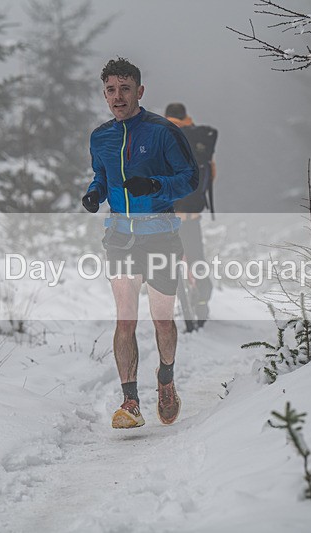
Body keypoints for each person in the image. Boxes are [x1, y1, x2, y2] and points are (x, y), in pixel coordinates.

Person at [82, 58, 199, 429]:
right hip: (119, 238)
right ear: (105, 94)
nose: (118, 97)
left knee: (162, 320)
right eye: (111, 90)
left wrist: (155, 186)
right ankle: (130, 400)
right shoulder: (100, 137)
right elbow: (100, 176)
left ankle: (165, 380)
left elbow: (190, 178)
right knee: (125, 320)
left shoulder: (162, 132)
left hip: (160, 236)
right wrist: (93, 193)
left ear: (139, 91)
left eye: (125, 89)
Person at [165, 103, 217, 328]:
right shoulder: (200, 140)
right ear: (185, 116)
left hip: (169, 215)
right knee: (196, 258)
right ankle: (202, 298)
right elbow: (211, 175)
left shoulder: (162, 135)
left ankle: (173, 303)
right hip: (193, 216)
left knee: (165, 259)